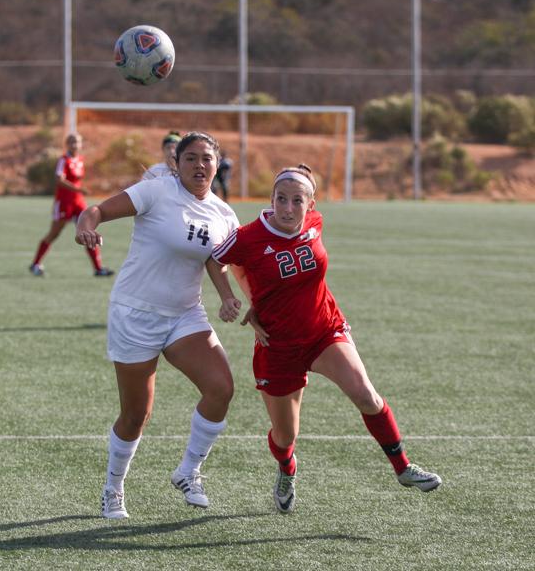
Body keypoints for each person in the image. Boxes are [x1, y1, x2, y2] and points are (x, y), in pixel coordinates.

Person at [207, 163, 442, 514]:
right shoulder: (249, 236)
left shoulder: (315, 224)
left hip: (324, 331)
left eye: (297, 201)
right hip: (278, 345)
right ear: (271, 199)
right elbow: (218, 260)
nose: (288, 208)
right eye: (281, 199)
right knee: (285, 435)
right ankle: (287, 468)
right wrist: (236, 299)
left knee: (366, 394)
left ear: (311, 205)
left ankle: (403, 467)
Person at [75, 131, 240, 519]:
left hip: (186, 314)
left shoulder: (224, 213)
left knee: (221, 388)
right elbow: (96, 211)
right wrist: (85, 227)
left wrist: (228, 297)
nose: (200, 165)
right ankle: (113, 489)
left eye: (207, 159)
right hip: (136, 312)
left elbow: (215, 259)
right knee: (137, 415)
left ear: (217, 165)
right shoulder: (157, 191)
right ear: (176, 164)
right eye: (190, 158)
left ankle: (188, 471)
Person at [29, 134, 113, 277]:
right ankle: (35, 264)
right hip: (64, 202)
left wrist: (79, 191)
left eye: (77, 142)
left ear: (81, 144)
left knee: (88, 232)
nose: (75, 145)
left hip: (78, 202)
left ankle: (98, 268)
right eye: (72, 142)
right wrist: (78, 189)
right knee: (54, 233)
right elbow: (59, 179)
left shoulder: (80, 160)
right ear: (67, 144)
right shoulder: (64, 160)